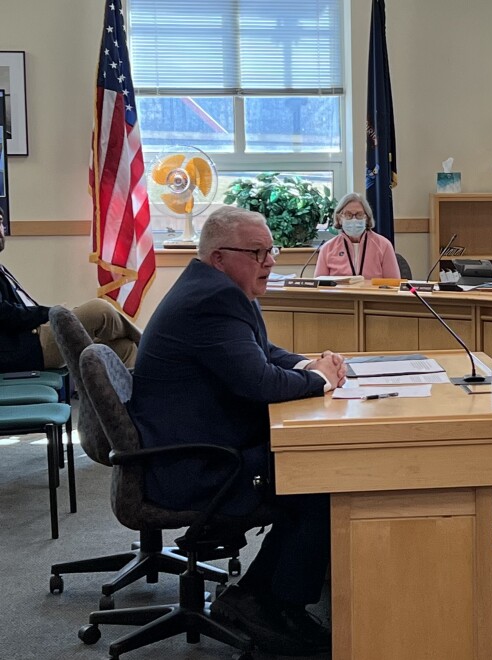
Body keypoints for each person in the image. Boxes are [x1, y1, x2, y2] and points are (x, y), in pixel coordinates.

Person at [127, 206, 347, 656]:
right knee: (321, 475)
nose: (270, 262)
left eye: (271, 250)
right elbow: (261, 383)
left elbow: (261, 353)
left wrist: (308, 364)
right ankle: (273, 605)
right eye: (258, 252)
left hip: (192, 446)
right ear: (219, 258)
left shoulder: (212, 288)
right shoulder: (214, 299)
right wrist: (323, 379)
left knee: (310, 468)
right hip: (196, 465)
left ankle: (260, 597)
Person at [0, 210, 140, 372]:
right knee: (99, 309)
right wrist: (51, 313)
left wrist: (51, 314)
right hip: (25, 346)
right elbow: (4, 314)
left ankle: (128, 397)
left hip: (37, 334)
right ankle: (150, 345)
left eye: (1, 222)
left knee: (124, 347)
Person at [314, 192, 400, 279]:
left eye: (359, 215)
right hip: (340, 293)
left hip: (373, 292)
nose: (354, 219)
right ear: (340, 218)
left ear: (366, 218)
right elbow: (319, 287)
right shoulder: (328, 248)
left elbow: (394, 284)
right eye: (348, 215)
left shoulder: (384, 246)